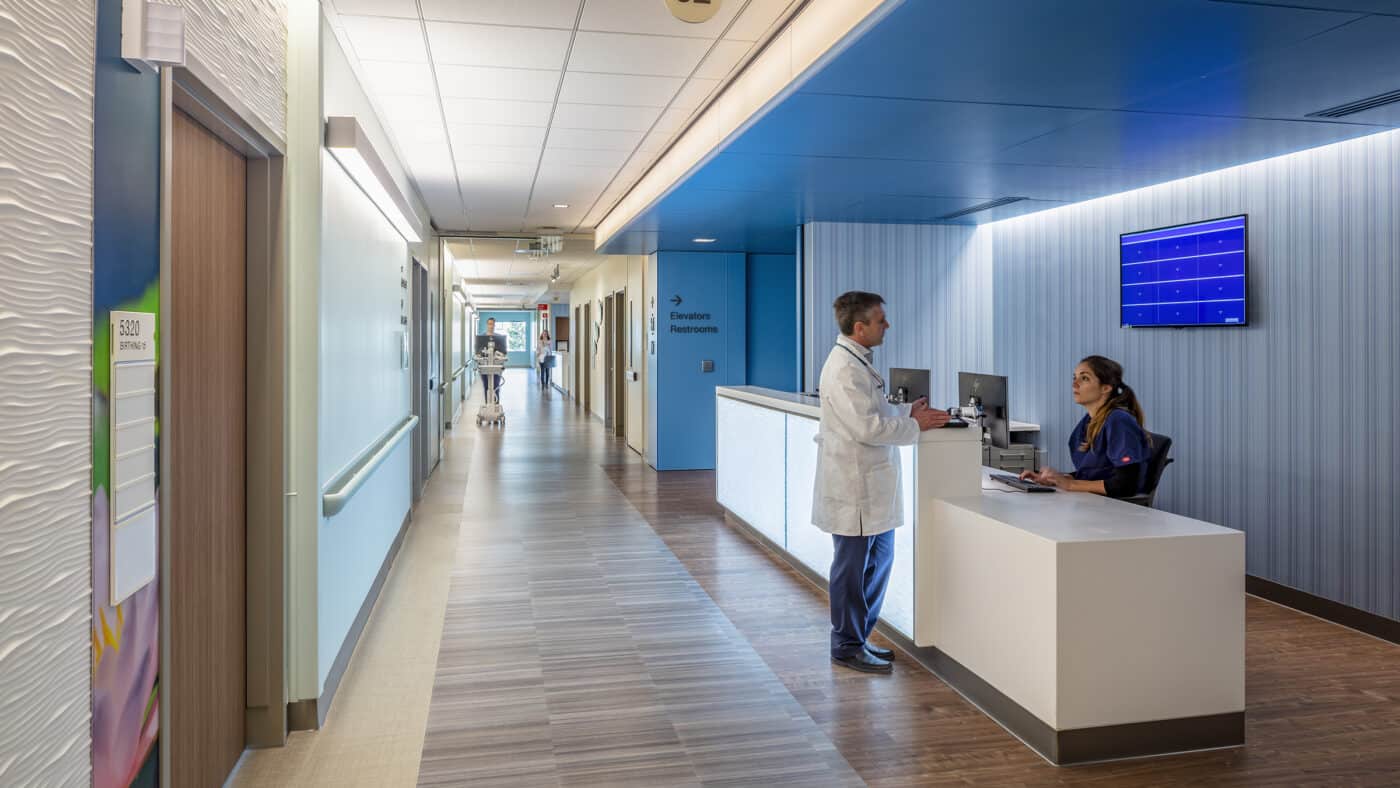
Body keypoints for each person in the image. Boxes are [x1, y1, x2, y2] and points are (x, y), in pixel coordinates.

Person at [812, 291, 948, 674]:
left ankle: (859, 637)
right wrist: (915, 425)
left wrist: (908, 411)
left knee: (878, 562)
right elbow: (866, 426)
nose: (886, 325)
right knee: (852, 571)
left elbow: (874, 411)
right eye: (880, 320)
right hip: (854, 487)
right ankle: (846, 645)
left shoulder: (857, 363)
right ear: (860, 327)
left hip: (872, 489)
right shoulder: (843, 369)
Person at [1019, 355, 1152, 498]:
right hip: (1093, 503)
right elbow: (1093, 474)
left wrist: (1070, 485)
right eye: (1074, 377)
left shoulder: (1119, 421)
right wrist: (1055, 479)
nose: (1074, 384)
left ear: (1106, 388)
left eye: (1084, 378)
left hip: (1115, 510)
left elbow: (1125, 485)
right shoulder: (1090, 421)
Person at [478, 317, 507, 397]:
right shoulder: (481, 337)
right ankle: (487, 404)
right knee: (486, 386)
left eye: (493, 324)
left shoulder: (499, 337)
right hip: (484, 366)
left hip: (496, 366)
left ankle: (496, 405)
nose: (491, 326)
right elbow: (478, 353)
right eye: (490, 324)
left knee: (496, 386)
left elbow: (504, 353)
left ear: (495, 325)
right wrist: (480, 355)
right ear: (487, 325)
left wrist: (500, 355)